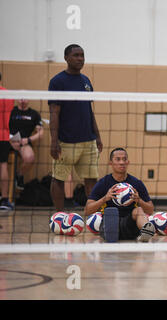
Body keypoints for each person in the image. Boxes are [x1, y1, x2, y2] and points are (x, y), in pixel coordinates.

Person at [48, 44, 103, 212]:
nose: (80, 58)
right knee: (59, 179)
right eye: (76, 55)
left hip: (88, 140)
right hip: (66, 142)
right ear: (66, 58)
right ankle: (59, 214)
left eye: (82, 55)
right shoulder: (57, 82)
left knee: (92, 179)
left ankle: (94, 216)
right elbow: (54, 114)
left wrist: (98, 136)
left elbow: (89, 111)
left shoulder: (86, 81)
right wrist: (54, 141)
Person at [85, 147, 156, 242]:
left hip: (129, 225)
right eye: (118, 159)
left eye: (124, 159)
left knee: (138, 210)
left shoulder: (136, 183)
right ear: (111, 163)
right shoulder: (103, 183)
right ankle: (112, 233)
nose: (122, 162)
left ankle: (146, 232)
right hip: (110, 222)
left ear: (128, 162)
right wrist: (104, 199)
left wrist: (139, 200)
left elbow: (150, 210)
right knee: (111, 212)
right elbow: (87, 210)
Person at [9, 99, 44, 190]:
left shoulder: (34, 114)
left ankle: (18, 176)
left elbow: (41, 133)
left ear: (28, 99)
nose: (22, 100)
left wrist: (28, 140)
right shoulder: (11, 111)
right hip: (8, 141)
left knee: (30, 158)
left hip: (23, 143)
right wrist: (10, 140)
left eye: (25, 98)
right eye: (20, 98)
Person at [0, 72, 15, 210]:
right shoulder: (8, 95)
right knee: (3, 165)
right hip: (4, 135)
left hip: (3, 134)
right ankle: (4, 199)